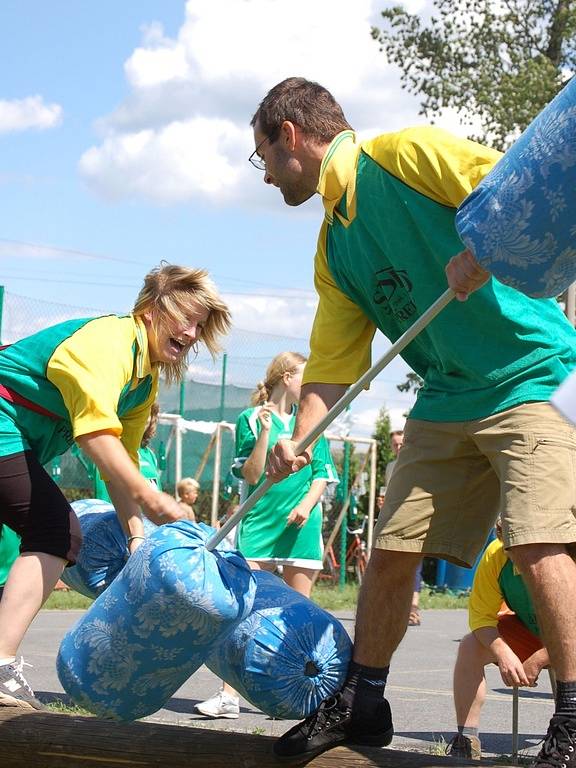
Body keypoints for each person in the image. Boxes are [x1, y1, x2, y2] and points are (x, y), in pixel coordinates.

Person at [250, 77, 576, 765]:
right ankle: (364, 704)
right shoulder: (333, 248)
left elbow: (521, 194)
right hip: (449, 394)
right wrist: (298, 438)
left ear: (290, 136)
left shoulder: (403, 154)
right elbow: (335, 364)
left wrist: (490, 250)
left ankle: (573, 719)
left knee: (536, 540)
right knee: (394, 548)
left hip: (529, 375)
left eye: (264, 157)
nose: (268, 176)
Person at [0, 263, 231, 709]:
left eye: (199, 325)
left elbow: (121, 465)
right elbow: (94, 438)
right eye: (185, 315)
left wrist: (137, 540)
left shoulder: (141, 385)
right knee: (54, 531)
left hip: (13, 438)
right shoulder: (108, 343)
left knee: (39, 538)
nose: (191, 331)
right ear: (149, 309)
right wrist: (151, 497)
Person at [195, 351, 338, 719]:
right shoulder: (250, 419)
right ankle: (229, 696)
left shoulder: (311, 424)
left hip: (300, 530)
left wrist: (307, 504)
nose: (308, 385)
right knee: (243, 608)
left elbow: (322, 473)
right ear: (286, 377)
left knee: (300, 615)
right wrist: (262, 436)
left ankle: (300, 696)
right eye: (304, 377)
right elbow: (253, 476)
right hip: (259, 527)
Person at [446, 524, 551, 760]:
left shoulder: (566, 553)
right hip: (533, 633)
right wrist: (504, 652)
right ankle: (466, 740)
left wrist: (540, 658)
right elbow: (482, 618)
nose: (513, 553)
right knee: (470, 646)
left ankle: (567, 736)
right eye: (508, 544)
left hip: (569, 640)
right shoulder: (496, 554)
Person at [382, 428, 422, 627]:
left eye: (401, 444)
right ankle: (394, 607)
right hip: (393, 518)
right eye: (395, 444)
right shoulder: (390, 466)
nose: (398, 447)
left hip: (415, 516)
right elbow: (388, 490)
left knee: (413, 561)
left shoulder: (418, 462)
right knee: (392, 561)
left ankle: (413, 608)